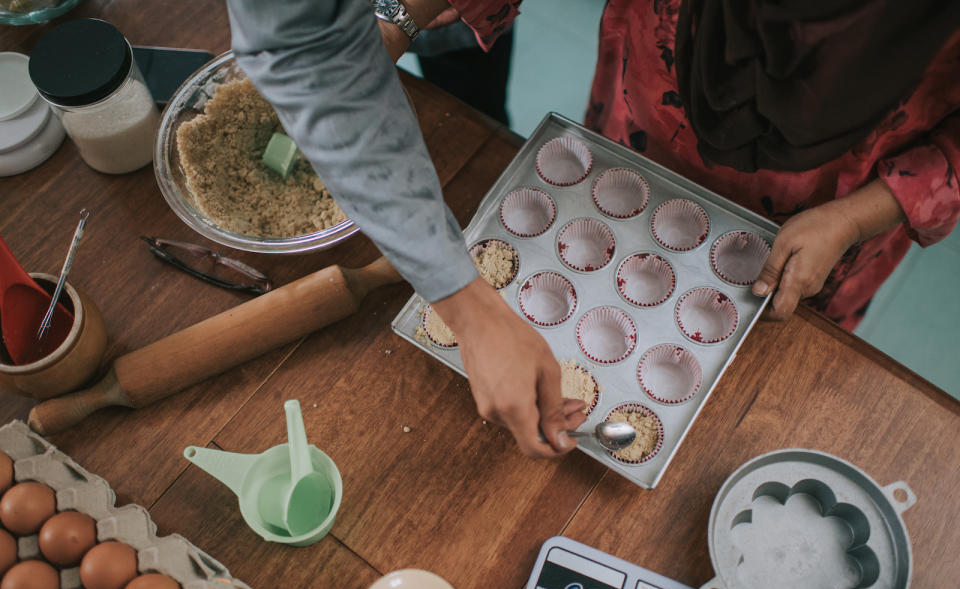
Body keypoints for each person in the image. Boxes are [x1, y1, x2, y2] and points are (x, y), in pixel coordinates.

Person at [225, 0, 960, 458]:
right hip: (650, 115)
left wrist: (861, 213)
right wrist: (410, 12)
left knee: (766, 383)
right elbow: (306, 47)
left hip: (846, 197)